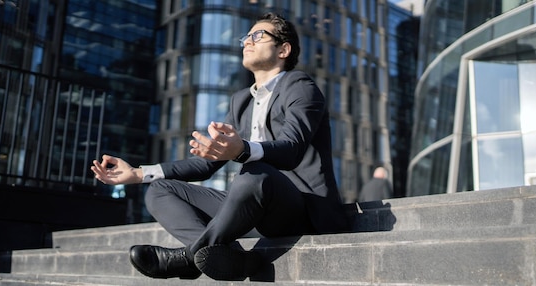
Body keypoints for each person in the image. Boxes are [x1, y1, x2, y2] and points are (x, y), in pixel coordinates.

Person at [90, 12, 349, 281]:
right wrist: (139, 173)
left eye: (257, 35)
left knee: (255, 171)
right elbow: (205, 165)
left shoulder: (300, 86)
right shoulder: (241, 101)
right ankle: (232, 257)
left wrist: (242, 150)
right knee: (159, 190)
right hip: (252, 205)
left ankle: (189, 257)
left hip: (300, 208)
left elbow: (292, 148)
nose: (247, 42)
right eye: (245, 37)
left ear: (283, 49)